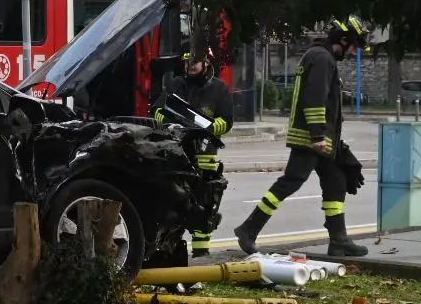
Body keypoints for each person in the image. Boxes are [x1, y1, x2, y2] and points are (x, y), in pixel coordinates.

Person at [233, 17, 370, 257]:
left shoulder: (319, 56)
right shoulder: (322, 59)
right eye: (354, 46)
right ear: (343, 40)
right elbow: (314, 98)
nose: (353, 52)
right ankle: (249, 229)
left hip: (320, 138)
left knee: (336, 181)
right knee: (291, 181)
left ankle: (338, 240)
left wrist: (333, 142)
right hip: (311, 138)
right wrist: (318, 135)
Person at [154, 47, 233, 258]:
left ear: (206, 63)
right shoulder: (175, 85)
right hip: (176, 155)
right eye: (187, 62)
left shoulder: (219, 89)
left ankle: (201, 253)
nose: (190, 66)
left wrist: (209, 128)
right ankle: (168, 252)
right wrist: (168, 121)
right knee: (172, 207)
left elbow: (227, 121)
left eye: (194, 62)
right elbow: (157, 111)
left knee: (203, 207)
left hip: (204, 158)